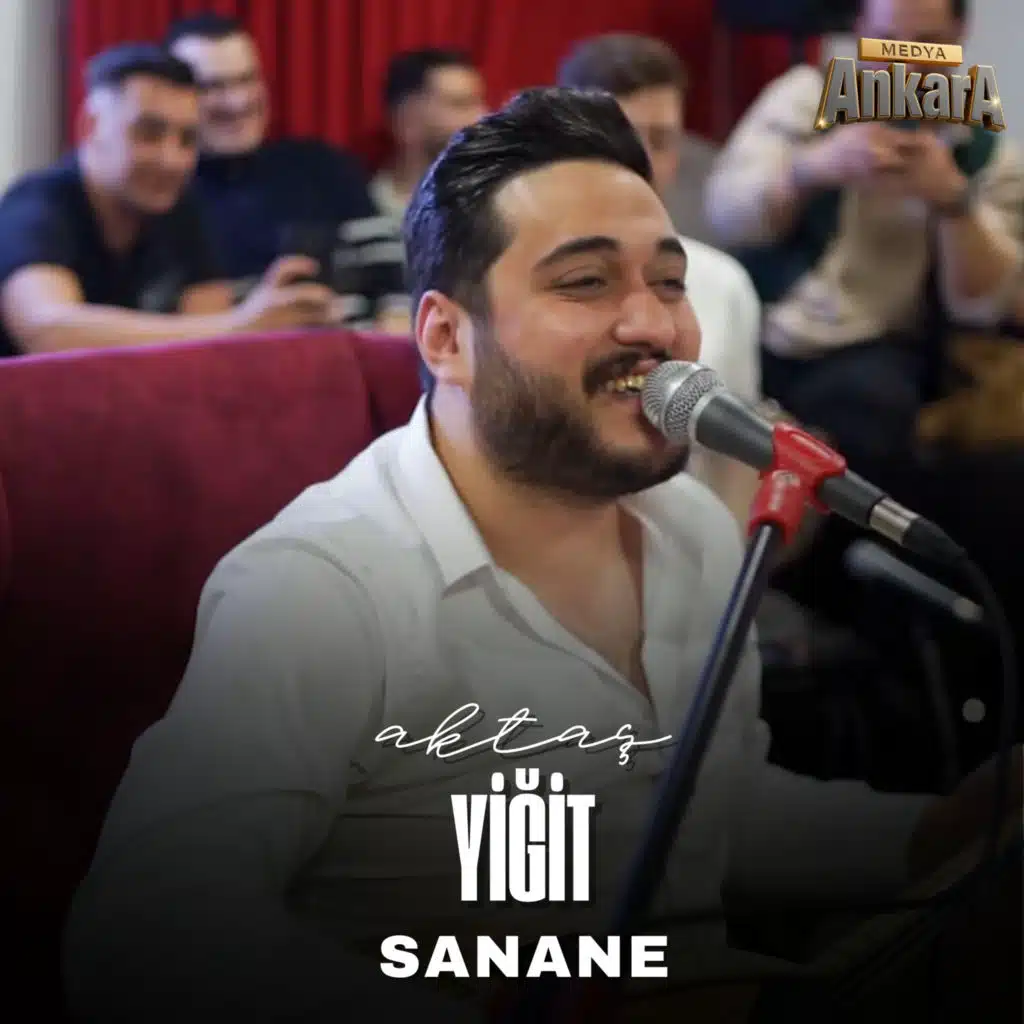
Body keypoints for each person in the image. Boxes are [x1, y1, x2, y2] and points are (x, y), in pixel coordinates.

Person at [63, 88, 1018, 1023]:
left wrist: (925, 833)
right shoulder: (317, 587)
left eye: (669, 281)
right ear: (445, 337)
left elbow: (707, 813)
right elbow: (143, 940)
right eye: (586, 282)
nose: (655, 327)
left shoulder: (692, 529)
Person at [704, 0, 1024, 751]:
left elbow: (985, 305)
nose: (903, 61)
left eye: (925, 45)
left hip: (885, 355)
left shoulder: (982, 139)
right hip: (773, 331)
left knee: (892, 435)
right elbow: (725, 213)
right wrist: (811, 168)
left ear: (957, 42)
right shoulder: (804, 97)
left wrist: (954, 203)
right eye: (886, 41)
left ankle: (906, 672)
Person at [0, 43, 332, 357]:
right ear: (90, 127)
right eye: (148, 133)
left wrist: (271, 317)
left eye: (187, 139)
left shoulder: (180, 209)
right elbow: (48, 330)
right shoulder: (36, 206)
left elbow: (209, 335)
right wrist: (244, 325)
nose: (172, 160)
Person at [557, 32, 763, 524]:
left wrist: (731, 558)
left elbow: (735, 460)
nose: (644, 161)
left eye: (662, 140)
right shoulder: (532, 278)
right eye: (626, 137)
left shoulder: (724, 283)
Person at [165, 13, 410, 333]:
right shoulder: (166, 196)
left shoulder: (322, 165)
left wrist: (389, 349)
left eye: (247, 80)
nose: (238, 101)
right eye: (211, 87)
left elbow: (396, 283)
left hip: (364, 352)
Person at [371, 48, 487, 223]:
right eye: (460, 104)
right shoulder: (360, 211)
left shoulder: (495, 208)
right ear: (408, 120)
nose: (482, 117)